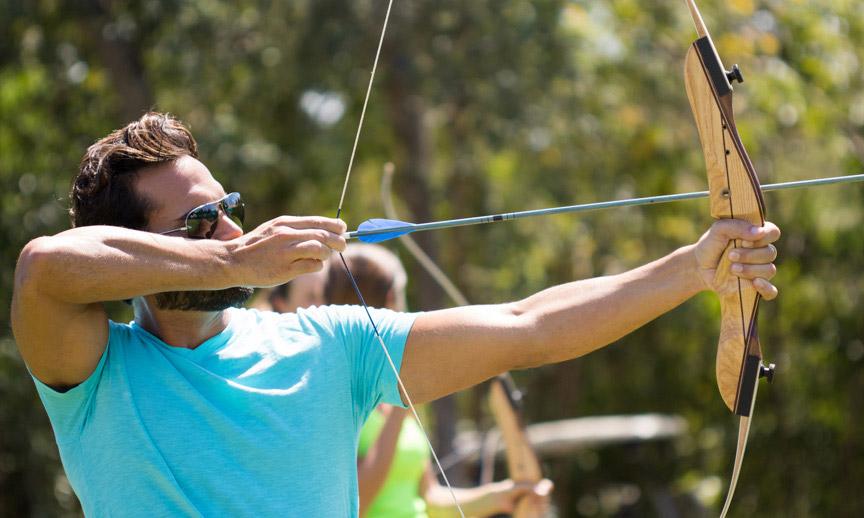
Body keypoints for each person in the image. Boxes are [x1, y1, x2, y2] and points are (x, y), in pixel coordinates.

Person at [10, 112, 780, 516]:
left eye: (229, 210)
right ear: (140, 249)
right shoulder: (95, 371)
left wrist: (692, 269)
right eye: (198, 221)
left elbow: (529, 325)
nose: (232, 229)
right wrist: (233, 263)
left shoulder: (330, 346)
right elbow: (46, 266)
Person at [269, 244, 553, 517]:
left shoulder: (395, 401)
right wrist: (400, 405)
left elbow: (430, 498)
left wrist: (503, 496)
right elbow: (356, 504)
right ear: (391, 299)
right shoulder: (336, 390)